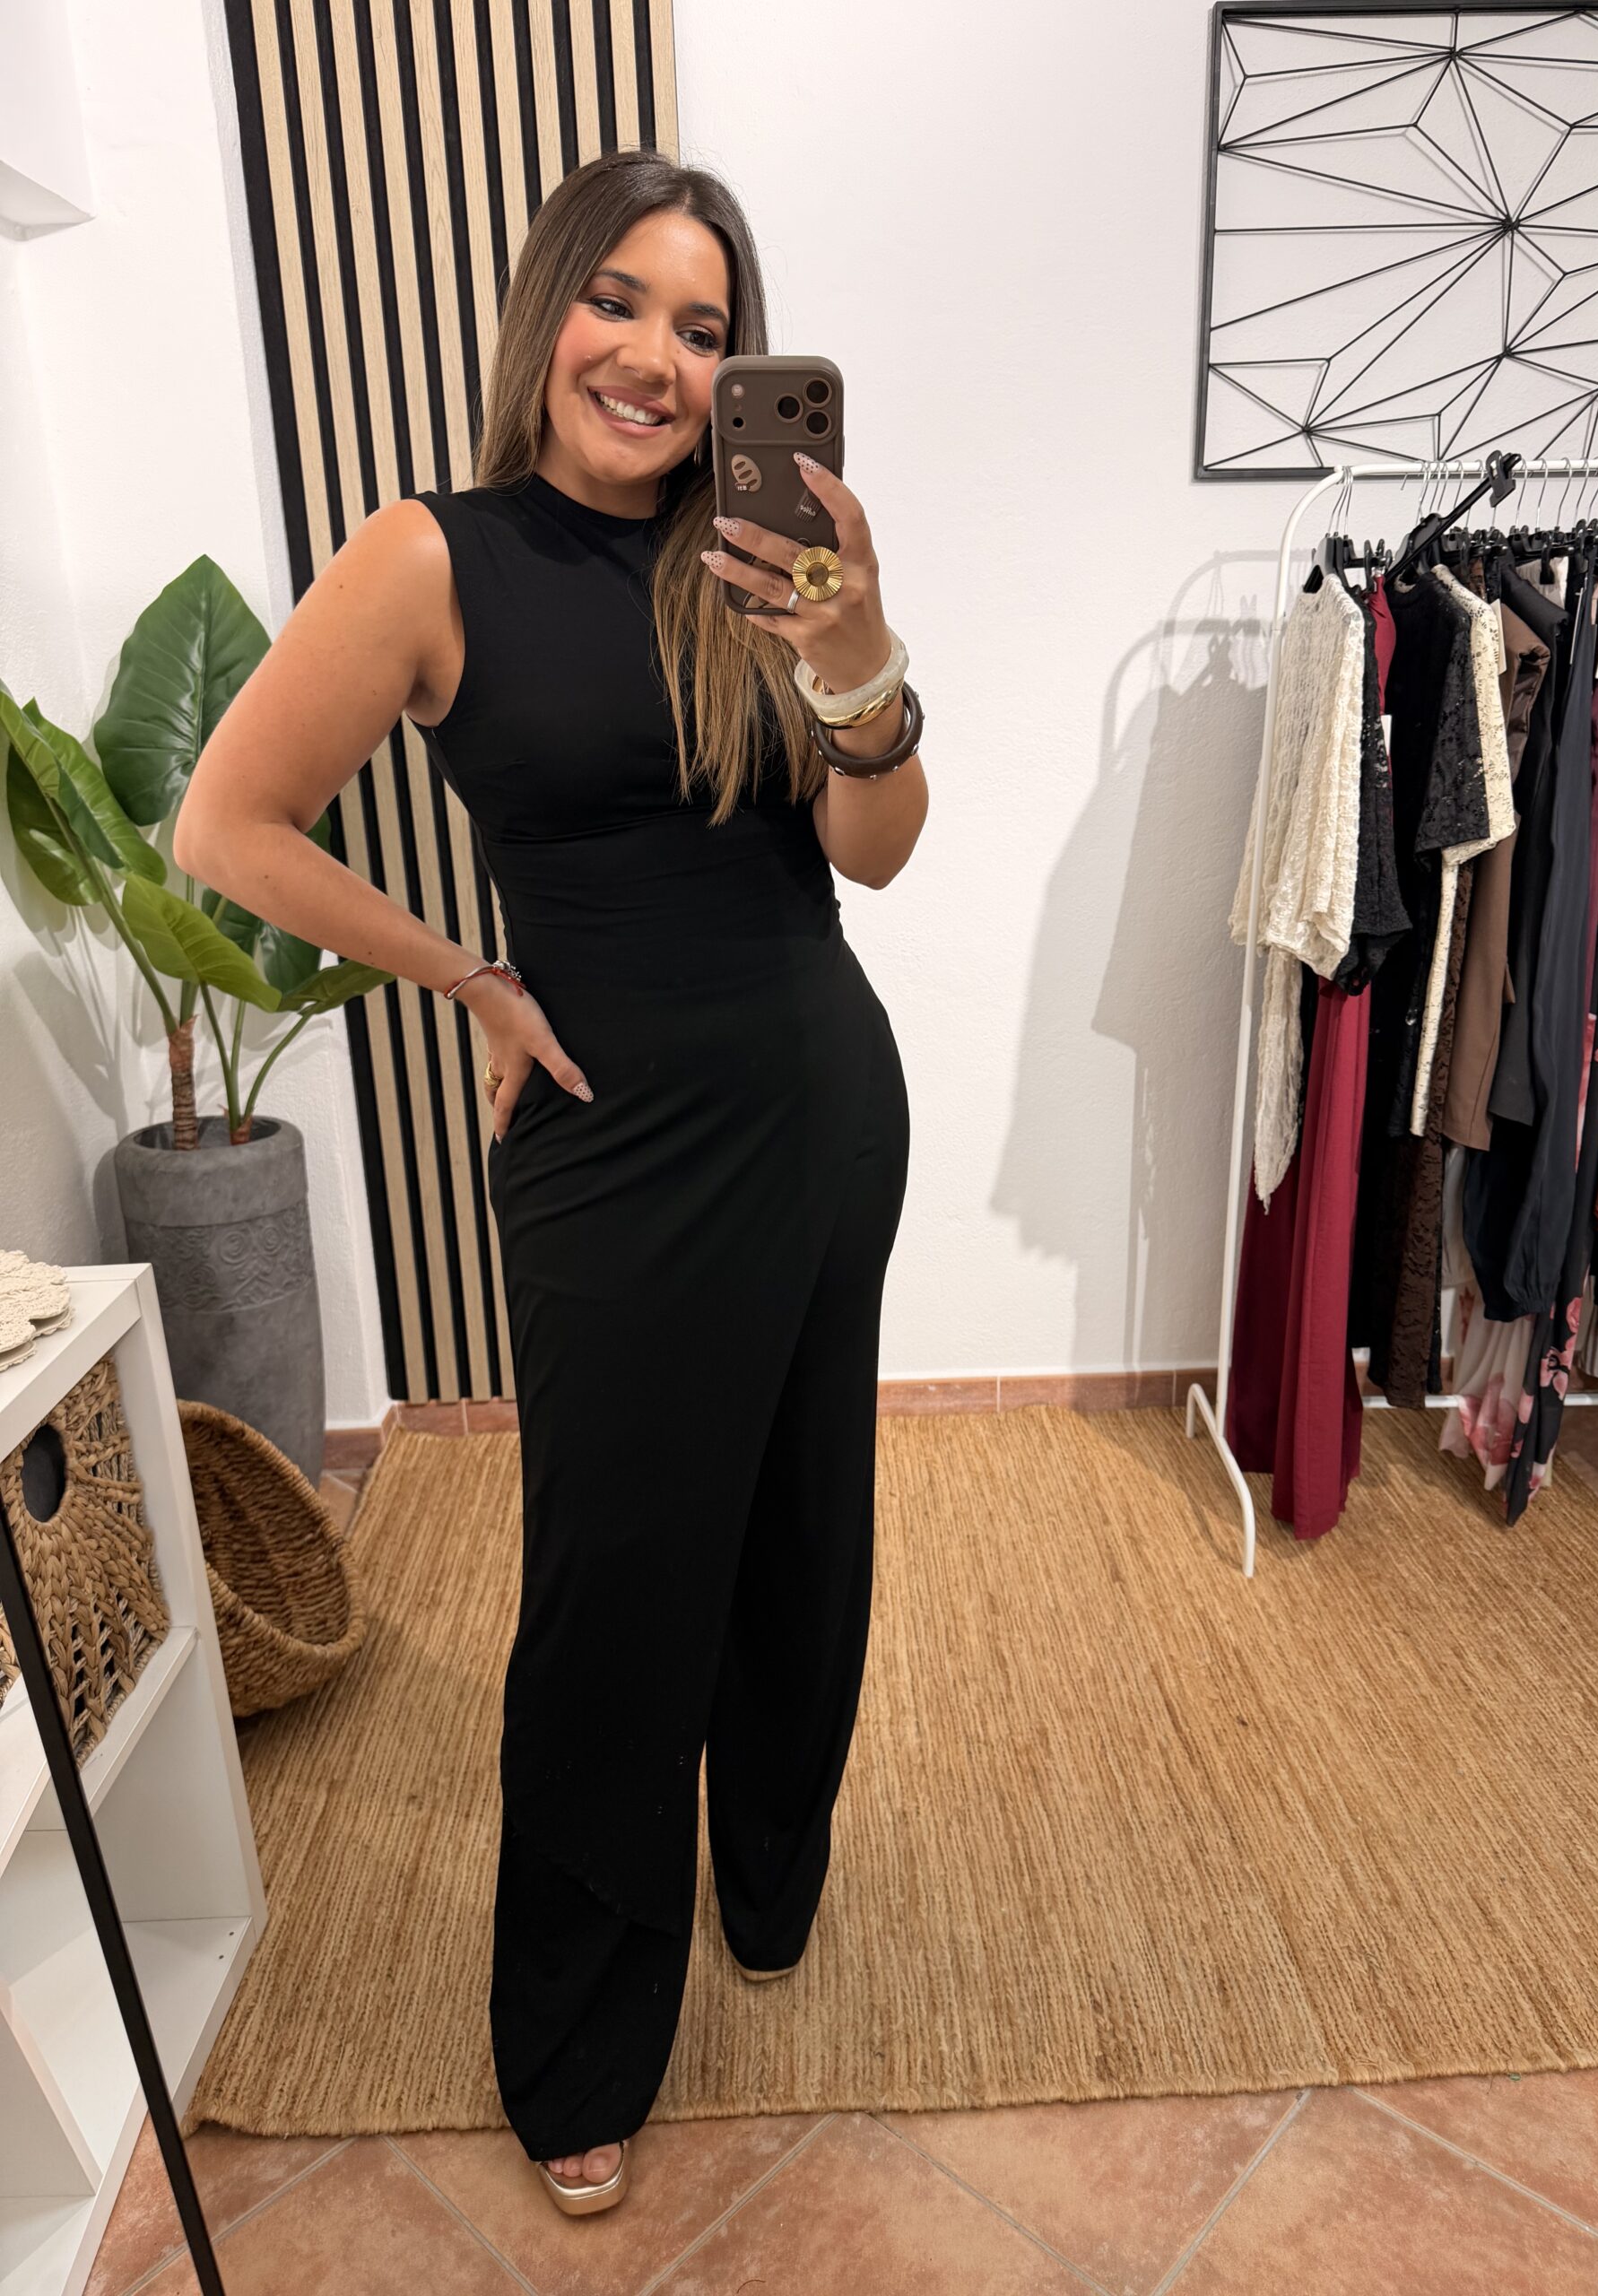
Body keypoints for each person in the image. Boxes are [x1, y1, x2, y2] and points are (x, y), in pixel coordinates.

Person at [173, 147, 923, 2216]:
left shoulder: (761, 554)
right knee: (617, 1590)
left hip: (826, 1102)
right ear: (548, 309)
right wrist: (467, 975)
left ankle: (768, 1878)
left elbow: (875, 850)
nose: (656, 359)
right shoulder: (433, 557)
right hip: (612, 1148)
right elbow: (228, 824)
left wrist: (856, 645)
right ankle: (581, 2031)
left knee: (805, 1528)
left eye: (705, 326)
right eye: (620, 302)